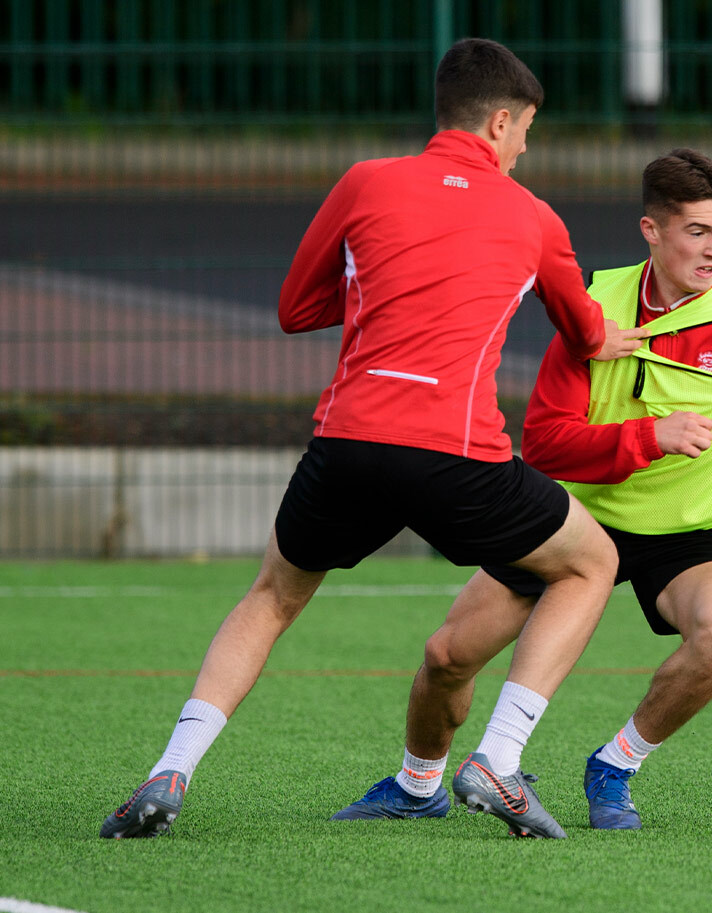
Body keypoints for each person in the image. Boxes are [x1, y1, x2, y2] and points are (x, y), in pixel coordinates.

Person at [99, 38, 639, 841]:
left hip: (348, 443)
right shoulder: (533, 217)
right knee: (593, 561)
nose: (526, 147)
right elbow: (583, 329)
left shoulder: (365, 181)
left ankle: (171, 769)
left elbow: (295, 308)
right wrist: (607, 337)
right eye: (527, 129)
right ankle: (498, 755)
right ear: (499, 123)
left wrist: (385, 296)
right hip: (457, 454)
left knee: (272, 596)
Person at [335, 148, 712, 832]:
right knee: (447, 656)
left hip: (689, 533)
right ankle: (418, 785)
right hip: (576, 521)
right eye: (696, 232)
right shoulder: (594, 306)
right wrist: (649, 436)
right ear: (652, 230)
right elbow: (546, 441)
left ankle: (615, 764)